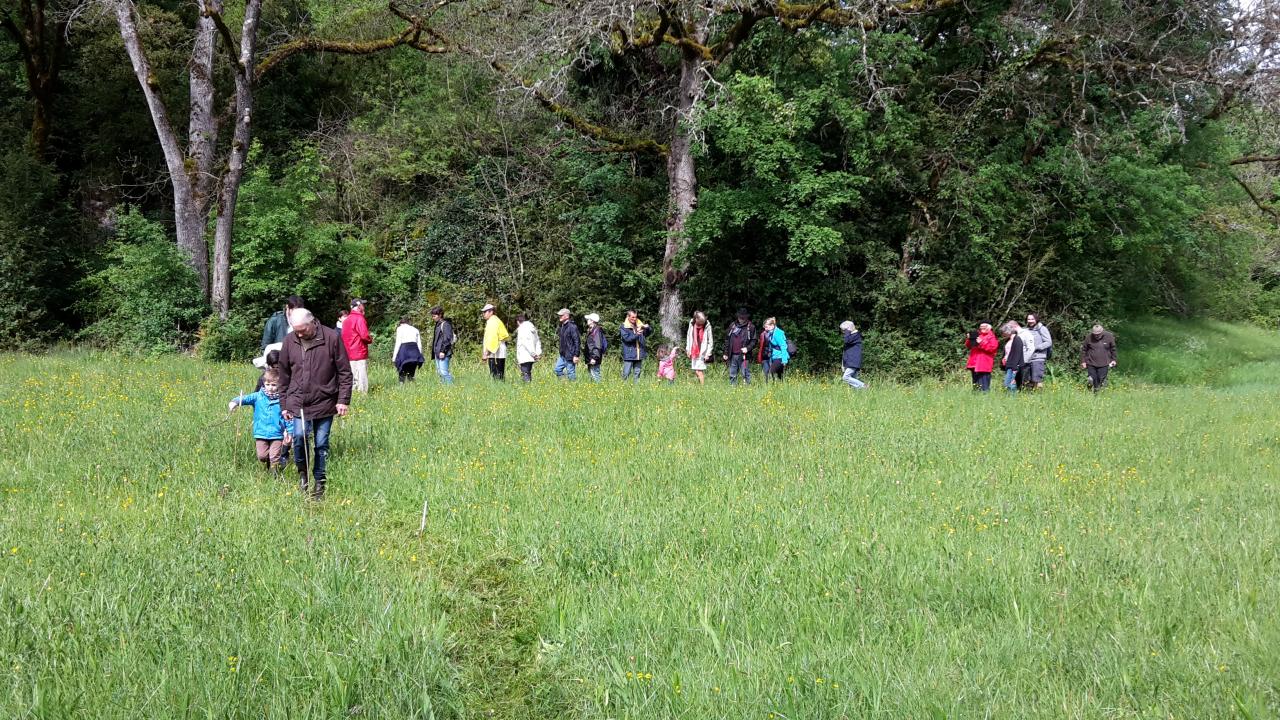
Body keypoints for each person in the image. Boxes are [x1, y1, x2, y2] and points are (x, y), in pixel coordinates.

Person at [277, 308, 352, 500]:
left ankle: (320, 482)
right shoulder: (289, 341)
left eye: (302, 330)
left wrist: (343, 400)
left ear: (312, 323)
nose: (299, 334)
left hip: (325, 401)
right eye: (296, 330)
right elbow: (284, 375)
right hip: (297, 401)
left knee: (321, 444)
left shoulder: (331, 338)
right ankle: (303, 474)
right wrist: (284, 404)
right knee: (299, 438)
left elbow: (344, 372)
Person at [228, 368, 292, 473]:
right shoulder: (258, 396)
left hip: (277, 433)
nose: (270, 388)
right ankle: (272, 463)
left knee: (274, 456)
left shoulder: (283, 400)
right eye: (268, 384)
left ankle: (274, 473)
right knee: (262, 456)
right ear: (264, 384)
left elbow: (288, 417)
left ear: (279, 385)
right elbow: (245, 398)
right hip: (261, 432)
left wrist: (289, 431)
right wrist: (235, 402)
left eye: (274, 385)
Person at [342, 299, 373, 393]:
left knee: (353, 374)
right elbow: (364, 335)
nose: (364, 307)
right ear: (359, 306)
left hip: (349, 352)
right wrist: (370, 339)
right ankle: (363, 394)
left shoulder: (346, 320)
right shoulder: (359, 318)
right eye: (363, 305)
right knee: (361, 374)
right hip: (359, 351)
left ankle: (353, 393)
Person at [723, 309, 756, 385]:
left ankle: (748, 389)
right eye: (740, 318)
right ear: (738, 317)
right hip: (732, 354)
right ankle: (732, 388)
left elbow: (754, 341)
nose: (741, 319)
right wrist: (726, 353)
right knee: (732, 373)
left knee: (745, 373)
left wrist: (747, 348)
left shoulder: (750, 327)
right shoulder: (732, 325)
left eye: (743, 318)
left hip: (744, 355)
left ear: (746, 318)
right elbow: (727, 340)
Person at [1081, 324, 1117, 392]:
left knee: (1101, 380)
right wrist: (1083, 361)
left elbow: (1113, 349)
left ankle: (1097, 393)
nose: (1096, 336)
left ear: (1102, 332)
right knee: (1092, 379)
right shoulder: (1089, 337)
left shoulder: (1109, 336)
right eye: (1095, 334)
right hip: (1091, 362)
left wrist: (1114, 360)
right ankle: (1090, 388)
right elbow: (1084, 350)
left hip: (1104, 363)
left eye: (1098, 334)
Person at [964, 322, 999, 392]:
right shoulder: (977, 335)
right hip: (974, 364)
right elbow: (968, 346)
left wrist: (981, 342)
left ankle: (985, 400)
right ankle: (976, 400)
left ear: (989, 327)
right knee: (976, 386)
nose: (982, 328)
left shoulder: (992, 338)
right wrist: (969, 339)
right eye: (981, 326)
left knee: (984, 387)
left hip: (984, 365)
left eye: (984, 326)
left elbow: (992, 349)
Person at [619, 310, 652, 382]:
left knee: (637, 373)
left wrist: (647, 327)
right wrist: (637, 334)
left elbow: (647, 334)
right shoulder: (623, 326)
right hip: (629, 354)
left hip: (639, 353)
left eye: (635, 317)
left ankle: (636, 389)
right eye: (632, 317)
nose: (634, 319)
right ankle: (624, 387)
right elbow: (627, 339)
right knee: (626, 373)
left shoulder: (639, 324)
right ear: (628, 317)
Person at [391, 316, 425, 383]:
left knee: (402, 371)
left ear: (401, 323)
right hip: (415, 352)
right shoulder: (415, 329)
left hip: (404, 352)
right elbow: (419, 345)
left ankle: (402, 386)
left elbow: (398, 343)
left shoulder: (400, 329)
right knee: (411, 372)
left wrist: (394, 357)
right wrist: (419, 355)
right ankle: (412, 386)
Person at [481, 303, 510, 380]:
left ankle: (500, 390)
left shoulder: (492, 322)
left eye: (485, 312)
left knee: (496, 376)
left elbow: (492, 339)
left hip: (496, 353)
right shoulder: (495, 320)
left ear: (491, 312)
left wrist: (486, 353)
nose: (483, 314)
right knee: (500, 376)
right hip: (498, 351)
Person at [685, 311, 714, 384]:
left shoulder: (707, 325)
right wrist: (688, 349)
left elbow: (710, 341)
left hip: (702, 352)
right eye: (700, 321)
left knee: (699, 370)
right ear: (696, 319)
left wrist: (708, 353)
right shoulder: (691, 323)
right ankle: (700, 385)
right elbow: (689, 336)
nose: (702, 323)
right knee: (696, 370)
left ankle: (702, 387)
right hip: (693, 350)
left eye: (703, 321)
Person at [429, 306, 455, 384]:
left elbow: (447, 339)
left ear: (440, 315)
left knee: (444, 372)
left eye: (434, 316)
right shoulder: (438, 324)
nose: (433, 318)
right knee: (440, 372)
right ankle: (444, 389)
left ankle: (451, 389)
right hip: (438, 352)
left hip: (444, 352)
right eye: (432, 316)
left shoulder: (445, 324)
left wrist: (443, 351)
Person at [1026, 313, 1052, 389]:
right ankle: (1031, 398)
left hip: (1038, 358)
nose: (1030, 321)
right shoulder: (1026, 330)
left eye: (1032, 319)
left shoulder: (1042, 328)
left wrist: (1036, 347)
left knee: (1037, 380)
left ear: (1036, 319)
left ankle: (1040, 397)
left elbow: (1048, 342)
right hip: (1028, 358)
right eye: (1028, 319)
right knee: (1029, 380)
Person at [1000, 321, 1027, 394]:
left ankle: (1013, 398)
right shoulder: (1009, 340)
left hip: (1014, 366)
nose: (1002, 334)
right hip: (1009, 364)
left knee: (1010, 383)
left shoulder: (1017, 339)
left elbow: (1017, 354)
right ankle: (1010, 398)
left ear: (1008, 331)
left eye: (1003, 332)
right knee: (1007, 383)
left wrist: (1015, 367)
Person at [514, 313, 542, 382]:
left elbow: (526, 343)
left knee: (525, 373)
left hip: (525, 355)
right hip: (531, 356)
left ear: (518, 321)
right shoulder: (532, 328)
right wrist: (538, 353)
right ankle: (529, 387)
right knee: (528, 372)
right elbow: (537, 341)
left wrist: (533, 354)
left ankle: (527, 387)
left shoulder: (522, 329)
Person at [554, 308, 580, 381]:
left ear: (566, 316)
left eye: (561, 315)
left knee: (570, 372)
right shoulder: (562, 326)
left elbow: (577, 341)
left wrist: (576, 355)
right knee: (557, 369)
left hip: (570, 355)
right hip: (563, 355)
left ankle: (573, 388)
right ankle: (564, 383)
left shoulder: (572, 327)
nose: (560, 317)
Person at [839, 321, 867, 389]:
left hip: (853, 362)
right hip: (851, 362)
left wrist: (848, 331)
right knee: (853, 385)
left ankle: (864, 386)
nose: (843, 332)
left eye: (844, 330)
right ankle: (858, 396)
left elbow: (846, 340)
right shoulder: (852, 336)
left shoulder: (856, 335)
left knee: (845, 377)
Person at [1013, 320, 1036, 390]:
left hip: (1025, 363)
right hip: (1018, 363)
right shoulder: (1016, 335)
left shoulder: (1026, 333)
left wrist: (1024, 361)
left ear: (1014, 326)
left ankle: (1029, 398)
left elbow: (1031, 349)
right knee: (1018, 383)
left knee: (1026, 383)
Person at [584, 313, 606, 382]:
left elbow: (598, 345)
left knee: (595, 375)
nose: (587, 320)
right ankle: (595, 390)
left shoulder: (597, 331)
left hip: (594, 358)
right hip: (591, 357)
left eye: (588, 319)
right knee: (592, 376)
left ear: (592, 321)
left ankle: (599, 390)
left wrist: (594, 357)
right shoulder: (592, 330)